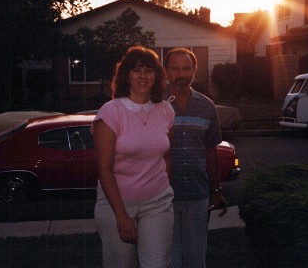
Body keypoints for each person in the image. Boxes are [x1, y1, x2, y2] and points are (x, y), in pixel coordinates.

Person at [91, 46, 175, 268]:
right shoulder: (110, 112)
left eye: (149, 70)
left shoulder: (166, 110)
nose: (143, 76)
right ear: (126, 75)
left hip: (157, 202)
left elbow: (166, 155)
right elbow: (104, 166)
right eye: (137, 70)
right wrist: (121, 215)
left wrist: (164, 184)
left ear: (157, 76)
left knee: (157, 265)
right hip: (117, 204)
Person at [163, 48, 228, 268]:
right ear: (166, 72)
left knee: (195, 258)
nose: (180, 74)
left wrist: (216, 190)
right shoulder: (154, 105)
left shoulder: (207, 107)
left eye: (186, 68)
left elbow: (211, 150)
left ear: (194, 71)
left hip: (197, 195)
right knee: (169, 259)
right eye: (175, 69)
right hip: (162, 197)